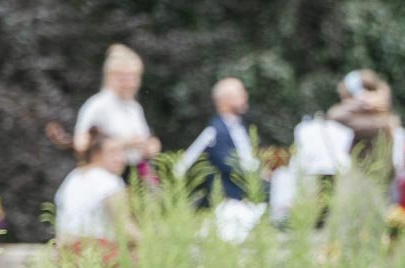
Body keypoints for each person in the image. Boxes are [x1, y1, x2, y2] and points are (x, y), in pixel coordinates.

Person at [73, 44, 161, 179]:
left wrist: (150, 146)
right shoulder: (98, 105)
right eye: (124, 78)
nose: (130, 83)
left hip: (134, 176)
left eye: (134, 77)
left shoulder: (134, 108)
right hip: (105, 178)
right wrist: (122, 144)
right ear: (110, 77)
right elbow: (81, 145)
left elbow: (143, 144)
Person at [54, 127, 139, 251]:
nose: (121, 158)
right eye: (114, 152)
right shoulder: (109, 180)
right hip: (95, 252)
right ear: (97, 154)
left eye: (123, 152)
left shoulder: (74, 176)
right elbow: (124, 225)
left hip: (64, 252)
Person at [177, 78, 260, 204]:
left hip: (247, 197)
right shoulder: (214, 131)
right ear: (222, 101)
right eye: (239, 93)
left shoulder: (241, 127)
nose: (245, 96)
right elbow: (183, 165)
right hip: (224, 202)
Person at [326, 69, 405, 174]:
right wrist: (361, 103)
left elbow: (334, 115)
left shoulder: (379, 122)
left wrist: (361, 102)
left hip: (372, 178)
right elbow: (333, 115)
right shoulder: (369, 119)